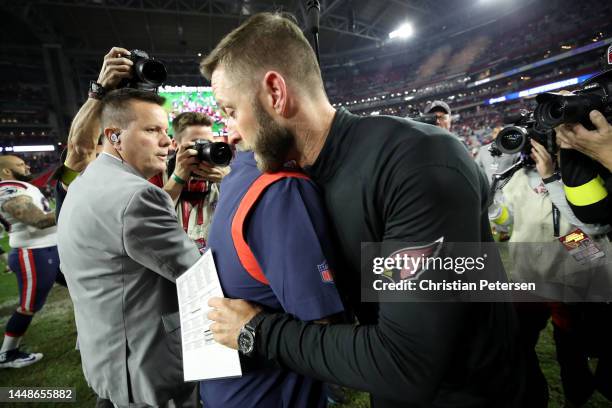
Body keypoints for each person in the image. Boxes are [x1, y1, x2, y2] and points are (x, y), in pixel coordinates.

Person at [202, 12, 522, 408]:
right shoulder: (300, 177)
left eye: (231, 111)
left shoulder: (418, 165)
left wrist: (256, 331)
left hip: (472, 395)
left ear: (275, 93)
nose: (230, 133)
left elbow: (407, 361)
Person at [57, 88, 200, 407]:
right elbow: (198, 276)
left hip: (108, 358)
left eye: (166, 131)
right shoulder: (137, 195)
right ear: (115, 136)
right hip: (146, 370)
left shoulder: (82, 182)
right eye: (152, 130)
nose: (168, 142)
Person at [199, 121, 344, 406]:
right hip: (270, 393)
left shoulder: (236, 177)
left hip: (228, 389)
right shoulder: (282, 188)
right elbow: (325, 330)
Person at [0, 156, 59, 368]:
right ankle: (8, 353)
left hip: (52, 248)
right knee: (29, 306)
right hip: (33, 253)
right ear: (6, 171)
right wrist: (74, 206)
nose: (27, 166)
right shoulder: (7, 189)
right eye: (20, 164)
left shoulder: (22, 186)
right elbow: (38, 220)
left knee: (80, 286)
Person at [149, 112, 229, 249]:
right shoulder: (158, 173)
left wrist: (228, 182)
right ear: (175, 144)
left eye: (208, 144)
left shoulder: (226, 175)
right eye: (197, 145)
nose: (205, 151)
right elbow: (150, 219)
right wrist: (178, 178)